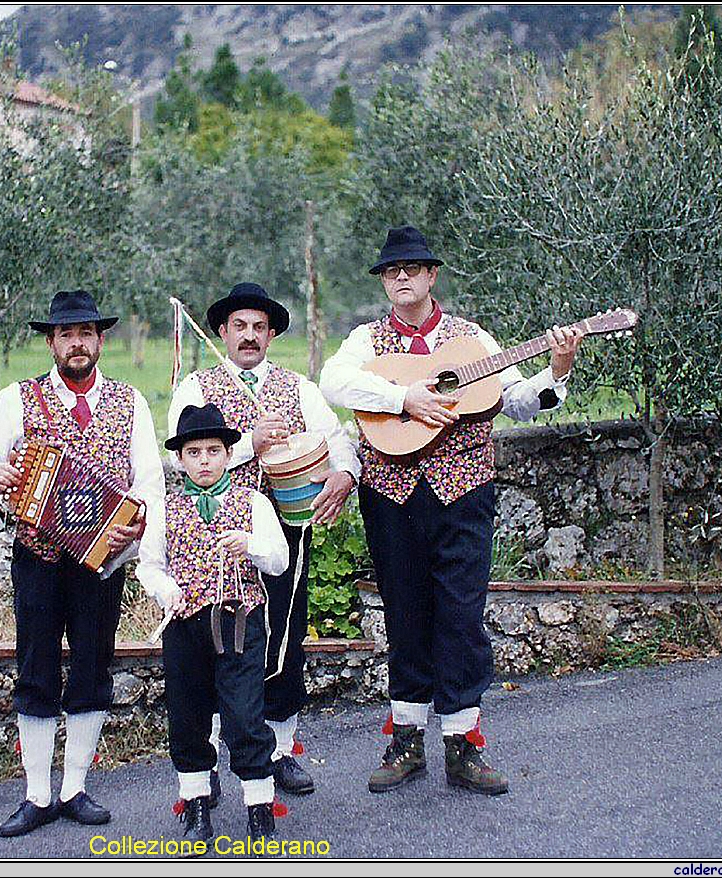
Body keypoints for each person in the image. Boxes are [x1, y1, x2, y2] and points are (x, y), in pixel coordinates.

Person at [319, 226, 584, 796]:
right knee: (404, 613)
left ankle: (464, 744)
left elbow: (514, 401)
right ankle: (407, 740)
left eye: (411, 269)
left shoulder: (472, 340)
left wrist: (558, 369)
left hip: (463, 492)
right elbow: (333, 381)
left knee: (462, 617)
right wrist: (402, 398)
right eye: (392, 272)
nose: (401, 278)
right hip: (391, 495)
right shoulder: (366, 341)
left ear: (432, 275)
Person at [0, 290, 165, 838]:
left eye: (86, 334)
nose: (76, 343)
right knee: (35, 664)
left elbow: (147, 477)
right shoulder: (18, 398)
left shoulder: (130, 403)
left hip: (100, 560)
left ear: (100, 340)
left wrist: (138, 519)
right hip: (37, 553)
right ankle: (36, 793)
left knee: (91, 664)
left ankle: (76, 786)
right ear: (51, 342)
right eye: (66, 335)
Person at [168, 282, 358, 798]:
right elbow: (179, 457)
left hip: (285, 530)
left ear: (271, 333)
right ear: (223, 332)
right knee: (210, 642)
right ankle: (205, 760)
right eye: (239, 327)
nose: (249, 336)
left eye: (258, 327)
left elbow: (336, 437)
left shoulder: (298, 388)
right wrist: (248, 444)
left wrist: (344, 473)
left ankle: (278, 751)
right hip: (211, 539)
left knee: (283, 636)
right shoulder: (196, 390)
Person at [137, 403, 290, 850]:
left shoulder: (253, 502)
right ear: (179, 459)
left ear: (227, 455)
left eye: (212, 450)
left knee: (244, 714)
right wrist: (164, 588)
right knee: (187, 716)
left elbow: (279, 561)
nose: (204, 460)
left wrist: (251, 545)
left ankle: (259, 804)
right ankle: (196, 801)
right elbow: (149, 566)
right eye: (193, 452)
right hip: (184, 626)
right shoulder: (166, 508)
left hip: (239, 623)